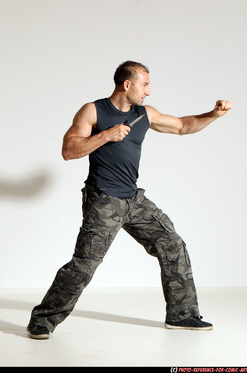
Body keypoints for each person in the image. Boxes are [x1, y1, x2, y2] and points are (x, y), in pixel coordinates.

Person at [27, 61, 232, 339]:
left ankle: (182, 315)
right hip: (103, 200)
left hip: (133, 200)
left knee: (172, 244)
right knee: (85, 264)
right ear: (127, 84)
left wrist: (214, 114)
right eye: (144, 84)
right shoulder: (94, 110)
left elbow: (183, 126)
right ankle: (42, 320)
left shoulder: (144, 114)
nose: (148, 91)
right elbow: (69, 150)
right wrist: (106, 135)